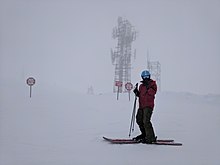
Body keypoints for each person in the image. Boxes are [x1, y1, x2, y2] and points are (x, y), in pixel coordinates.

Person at [133, 70, 157, 144]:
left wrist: (148, 86)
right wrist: (137, 92)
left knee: (146, 121)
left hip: (148, 106)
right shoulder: (141, 86)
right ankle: (145, 134)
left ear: (149, 76)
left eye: (147, 76)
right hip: (141, 106)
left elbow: (152, 93)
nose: (146, 78)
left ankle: (151, 138)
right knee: (139, 120)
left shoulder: (152, 84)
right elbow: (141, 95)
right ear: (142, 77)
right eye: (144, 77)